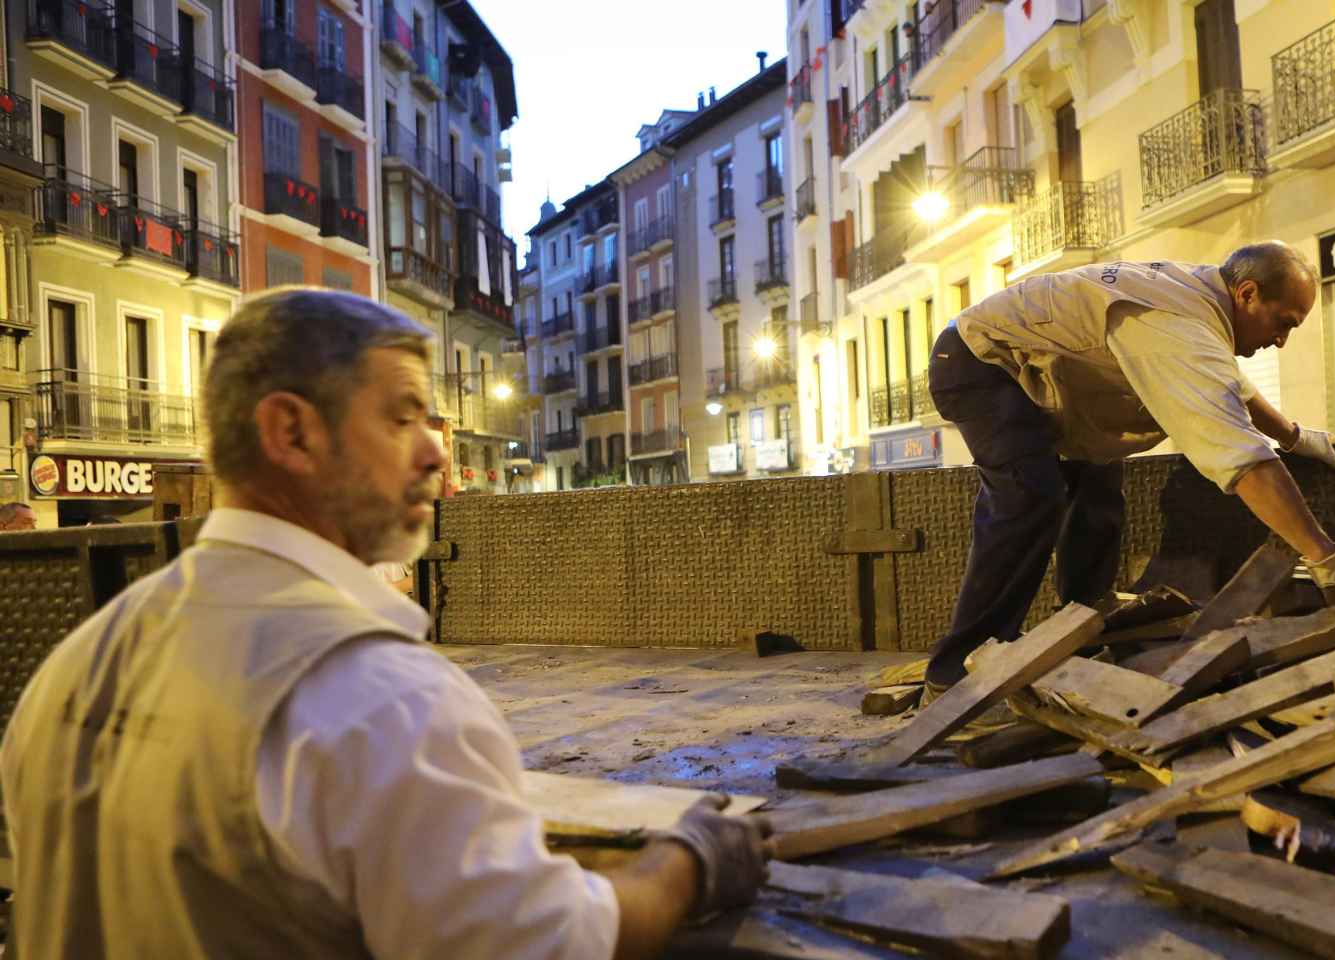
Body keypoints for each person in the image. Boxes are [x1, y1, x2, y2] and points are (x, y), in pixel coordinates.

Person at [0, 289, 769, 959]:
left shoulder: (74, 664)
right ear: (291, 433)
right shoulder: (382, 702)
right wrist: (686, 865)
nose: (437, 450)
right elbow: (552, 943)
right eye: (402, 416)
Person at [924, 242, 1335, 696]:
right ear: (1248, 294)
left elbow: (1236, 390)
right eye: (1284, 323)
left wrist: (1294, 437)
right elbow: (1242, 459)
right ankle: (958, 668)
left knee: (1098, 488)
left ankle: (1081, 628)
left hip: (1049, 376)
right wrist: (1326, 559)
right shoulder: (1174, 323)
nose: (1281, 341)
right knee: (1031, 494)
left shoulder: (1202, 300)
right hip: (978, 364)